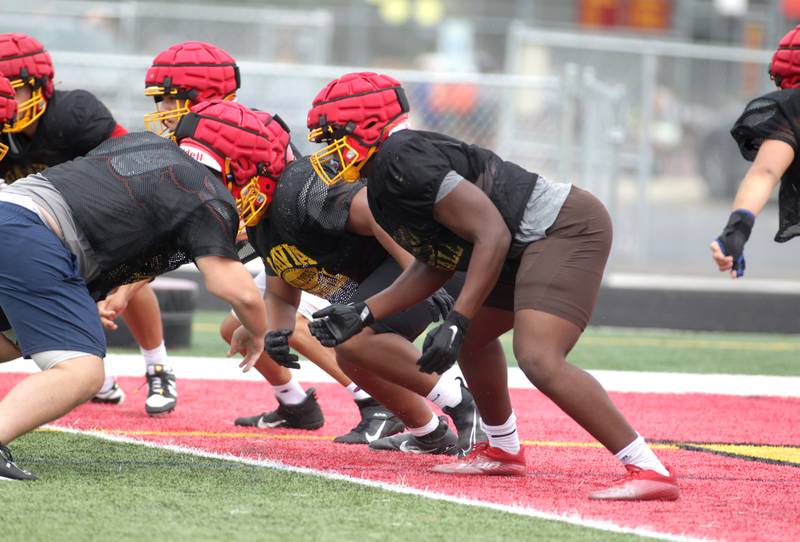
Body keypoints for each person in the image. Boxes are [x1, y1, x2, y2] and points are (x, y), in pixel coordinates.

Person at [305, 72, 679, 500]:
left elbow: (492, 233)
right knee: (473, 341)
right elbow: (436, 262)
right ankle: (503, 449)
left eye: (333, 137)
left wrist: (457, 319)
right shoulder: (384, 179)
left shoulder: (401, 156)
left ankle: (649, 468)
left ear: (368, 126)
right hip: (520, 243)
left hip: (560, 228)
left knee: (539, 357)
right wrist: (364, 312)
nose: (327, 151)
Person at [0, 100, 276, 480]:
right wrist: (257, 330)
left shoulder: (143, 144)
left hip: (13, 210)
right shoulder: (206, 193)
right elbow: (238, 290)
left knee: (12, 340)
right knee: (81, 371)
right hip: (31, 233)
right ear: (242, 163)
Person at [146, 42, 397, 440]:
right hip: (275, 249)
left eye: (169, 98)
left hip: (307, 247)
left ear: (200, 95)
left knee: (290, 323)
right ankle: (296, 404)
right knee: (236, 328)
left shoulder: (241, 132)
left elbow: (269, 204)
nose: (162, 109)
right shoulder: (197, 139)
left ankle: (377, 402)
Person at [216, 111, 488, 454]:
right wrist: (279, 332)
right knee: (349, 351)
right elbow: (282, 294)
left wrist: (418, 272)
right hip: (397, 274)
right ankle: (430, 433)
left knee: (354, 338)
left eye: (229, 180)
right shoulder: (265, 222)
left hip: (427, 259)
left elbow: (376, 212)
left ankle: (464, 405)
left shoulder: (300, 186)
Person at [0, 32, 164, 411]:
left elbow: (129, 160)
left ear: (41, 86)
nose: (10, 98)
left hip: (91, 214)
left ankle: (157, 365)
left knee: (125, 268)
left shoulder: (72, 114)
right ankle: (88, 367)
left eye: (16, 89)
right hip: (32, 223)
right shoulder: (5, 125)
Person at [711, 25, 800, 279]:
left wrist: (736, 231)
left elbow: (765, 173)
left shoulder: (793, 110)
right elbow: (765, 173)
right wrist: (736, 232)